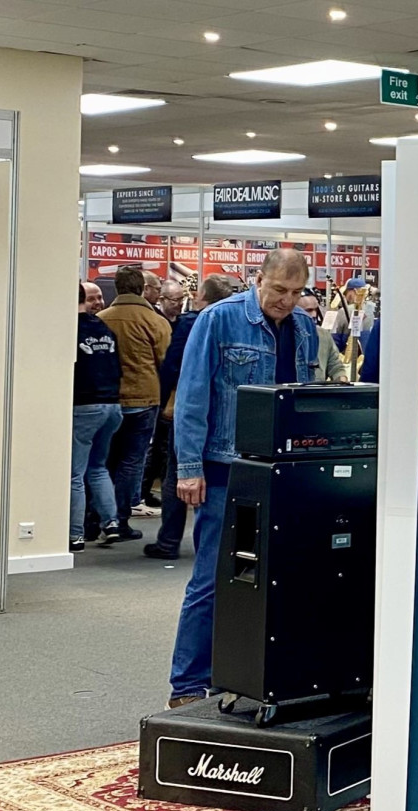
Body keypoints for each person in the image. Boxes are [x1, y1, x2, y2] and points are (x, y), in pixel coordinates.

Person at [167, 249, 321, 708]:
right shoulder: (218, 319)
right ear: (258, 279)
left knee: (270, 579)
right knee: (213, 578)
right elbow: (192, 397)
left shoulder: (304, 327)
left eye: (296, 292)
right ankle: (187, 684)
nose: (287, 301)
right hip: (224, 467)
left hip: (283, 470)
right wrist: (189, 469)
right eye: (279, 290)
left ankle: (239, 675)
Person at [145, 274, 236, 561]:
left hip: (188, 410)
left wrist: (162, 402)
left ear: (200, 297)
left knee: (178, 472)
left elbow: (175, 366)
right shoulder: (236, 325)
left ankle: (169, 540)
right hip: (227, 418)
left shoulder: (191, 323)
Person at [98, 265, 170, 545]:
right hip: (144, 398)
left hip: (109, 399)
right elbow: (166, 361)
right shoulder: (154, 321)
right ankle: (121, 519)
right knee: (131, 461)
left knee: (103, 462)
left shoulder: (102, 318)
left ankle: (99, 519)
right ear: (141, 288)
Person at [71, 281, 123, 553]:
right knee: (98, 467)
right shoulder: (104, 328)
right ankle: (111, 523)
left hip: (84, 406)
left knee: (75, 474)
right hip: (113, 406)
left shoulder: (70, 329)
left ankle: (75, 536)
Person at [140, 280, 193, 511]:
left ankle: (147, 492)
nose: (179, 304)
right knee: (158, 449)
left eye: (182, 299)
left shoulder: (181, 323)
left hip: (172, 397)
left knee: (162, 450)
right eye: (174, 300)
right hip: (161, 396)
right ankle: (143, 492)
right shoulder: (156, 322)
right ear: (161, 299)